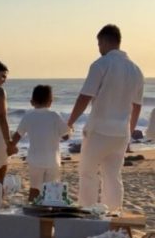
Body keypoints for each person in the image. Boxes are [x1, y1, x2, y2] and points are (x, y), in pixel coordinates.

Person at [67, 24, 144, 211]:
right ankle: (113, 214)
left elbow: (85, 97)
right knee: (113, 176)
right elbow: (137, 106)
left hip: (99, 130)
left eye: (99, 44)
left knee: (88, 174)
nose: (99, 48)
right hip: (121, 133)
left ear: (104, 41)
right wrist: (129, 132)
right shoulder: (136, 70)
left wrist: (69, 123)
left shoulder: (100, 64)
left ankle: (88, 212)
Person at [11, 85, 69, 202]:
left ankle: (31, 208)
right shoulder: (54, 115)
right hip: (52, 160)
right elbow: (65, 136)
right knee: (51, 190)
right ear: (51, 102)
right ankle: (48, 210)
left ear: (32, 102)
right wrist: (70, 129)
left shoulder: (28, 116)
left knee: (34, 189)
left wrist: (11, 146)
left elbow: (18, 135)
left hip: (35, 160)